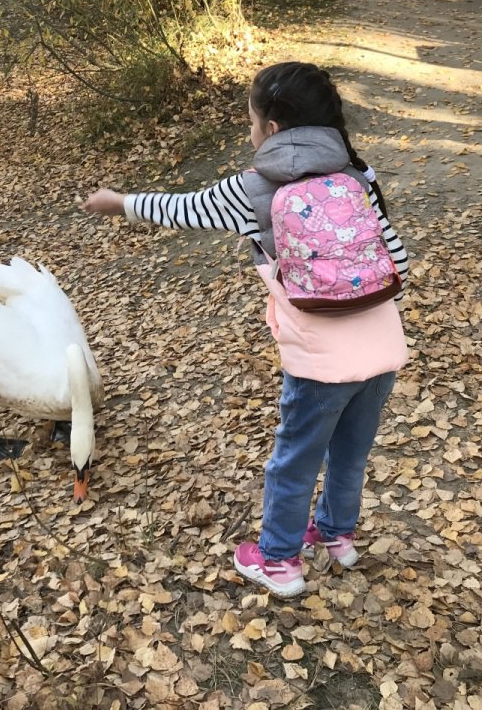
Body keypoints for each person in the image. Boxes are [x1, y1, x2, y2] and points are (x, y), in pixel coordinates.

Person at [80, 60, 410, 598]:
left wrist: (119, 203)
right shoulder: (358, 175)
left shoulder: (253, 189)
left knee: (295, 459)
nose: (249, 131)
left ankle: (279, 560)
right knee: (350, 452)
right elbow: (397, 260)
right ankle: (338, 538)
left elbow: (181, 208)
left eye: (251, 121)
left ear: (273, 130)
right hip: (382, 346)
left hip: (320, 359)